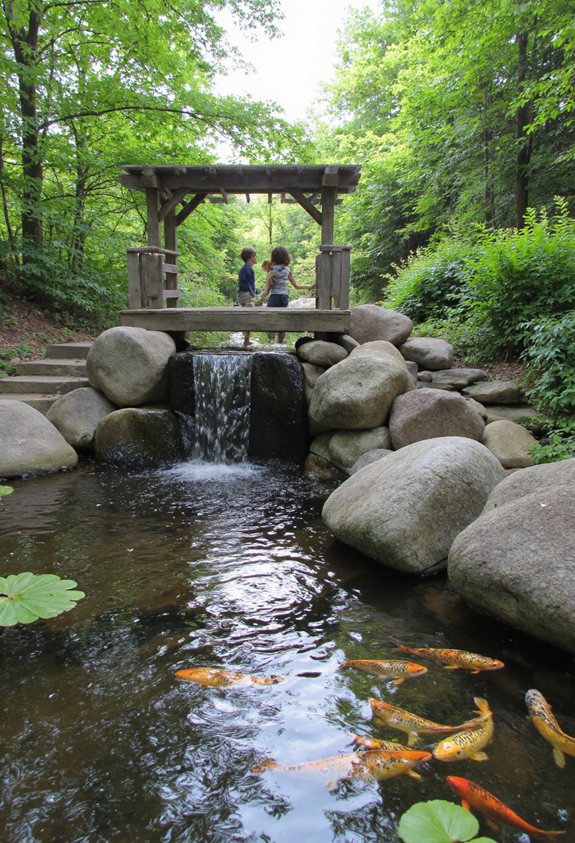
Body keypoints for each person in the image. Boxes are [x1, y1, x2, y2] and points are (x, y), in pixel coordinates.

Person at [259, 246, 312, 343]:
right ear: (285, 256)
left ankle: (270, 341)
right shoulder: (287, 270)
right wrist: (311, 286)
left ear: (273, 257)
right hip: (284, 296)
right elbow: (296, 286)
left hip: (274, 296)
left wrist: (262, 297)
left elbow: (269, 287)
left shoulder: (272, 270)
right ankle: (280, 342)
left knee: (270, 318)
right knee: (282, 319)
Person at [238, 247, 257, 347]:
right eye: (254, 256)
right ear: (250, 258)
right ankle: (246, 340)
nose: (256, 258)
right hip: (247, 294)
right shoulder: (248, 270)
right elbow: (249, 284)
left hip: (242, 294)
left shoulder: (243, 269)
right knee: (248, 315)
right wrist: (253, 293)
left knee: (247, 315)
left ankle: (246, 339)